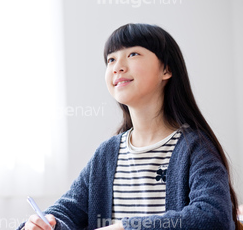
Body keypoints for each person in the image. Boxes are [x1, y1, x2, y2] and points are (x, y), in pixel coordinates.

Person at [18, 23, 240, 230]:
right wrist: (43, 224)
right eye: (111, 59)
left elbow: (214, 215)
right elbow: (67, 211)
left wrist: (127, 226)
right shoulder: (107, 154)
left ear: (166, 70)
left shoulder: (195, 148)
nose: (117, 67)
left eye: (133, 54)